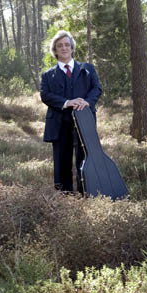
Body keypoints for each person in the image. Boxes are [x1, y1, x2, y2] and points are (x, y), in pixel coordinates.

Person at [40, 30, 102, 193]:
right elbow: (45, 95)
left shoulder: (87, 69)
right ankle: (64, 197)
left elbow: (97, 88)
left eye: (67, 45)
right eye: (60, 46)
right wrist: (67, 102)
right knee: (62, 161)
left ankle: (87, 193)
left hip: (84, 121)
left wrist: (87, 102)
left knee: (86, 158)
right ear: (55, 50)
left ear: (72, 48)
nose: (64, 48)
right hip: (59, 123)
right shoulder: (47, 75)